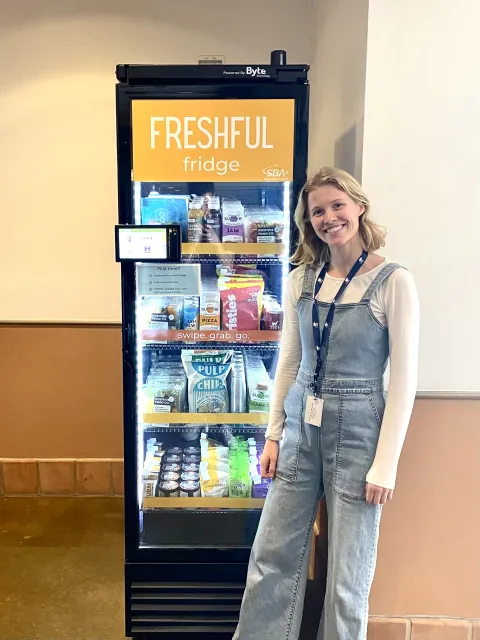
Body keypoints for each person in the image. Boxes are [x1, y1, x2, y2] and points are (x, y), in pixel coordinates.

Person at [233, 167, 419, 640]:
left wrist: (386, 465)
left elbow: (403, 380)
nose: (329, 217)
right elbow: (289, 363)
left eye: (337, 205)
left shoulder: (394, 282)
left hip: (359, 432)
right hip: (300, 423)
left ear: (359, 206)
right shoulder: (301, 280)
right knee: (270, 557)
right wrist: (274, 433)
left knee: (348, 574)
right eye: (317, 211)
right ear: (308, 221)